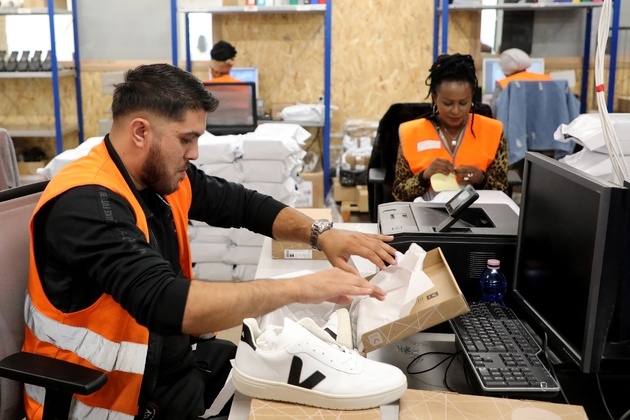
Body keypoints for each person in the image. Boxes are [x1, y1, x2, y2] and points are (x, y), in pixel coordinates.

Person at [22, 63, 397, 420]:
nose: (194, 153)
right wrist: (300, 287)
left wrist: (321, 233)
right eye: (187, 139)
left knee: (276, 377)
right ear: (140, 132)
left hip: (166, 367)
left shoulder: (158, 179)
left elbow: (242, 205)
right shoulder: (87, 205)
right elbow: (167, 302)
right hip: (104, 400)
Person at [392, 53, 509, 202]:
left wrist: (481, 178)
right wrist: (424, 176)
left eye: (463, 103)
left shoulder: (493, 132)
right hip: (425, 215)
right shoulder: (411, 134)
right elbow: (398, 194)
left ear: (472, 98)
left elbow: (503, 191)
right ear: (435, 98)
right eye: (448, 103)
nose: (455, 111)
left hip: (477, 214)